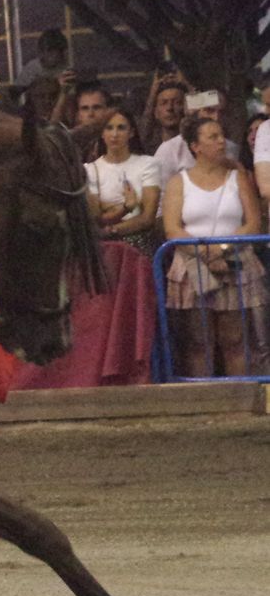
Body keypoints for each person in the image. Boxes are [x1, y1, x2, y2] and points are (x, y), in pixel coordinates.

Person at [162, 112, 264, 377]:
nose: (221, 142)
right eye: (213, 137)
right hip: (191, 262)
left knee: (235, 338)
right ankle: (203, 399)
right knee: (198, 341)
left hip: (235, 257)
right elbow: (172, 227)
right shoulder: (178, 182)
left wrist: (223, 249)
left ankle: (238, 399)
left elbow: (253, 222)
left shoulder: (237, 178)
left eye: (222, 136)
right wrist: (204, 252)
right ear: (195, 146)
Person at [85, 108, 161, 255]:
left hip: (139, 246)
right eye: (109, 128)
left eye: (121, 128)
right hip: (105, 249)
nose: (114, 134)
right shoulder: (90, 169)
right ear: (102, 133)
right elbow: (95, 218)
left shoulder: (148, 164)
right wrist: (126, 207)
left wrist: (111, 227)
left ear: (131, 133)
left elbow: (147, 218)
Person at [141, 74, 190, 154]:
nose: (170, 108)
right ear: (156, 112)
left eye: (177, 102)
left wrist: (189, 88)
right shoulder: (147, 147)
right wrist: (153, 92)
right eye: (163, 103)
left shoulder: (195, 146)